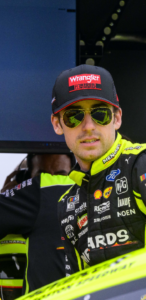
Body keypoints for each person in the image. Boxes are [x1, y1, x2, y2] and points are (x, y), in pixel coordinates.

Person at [50, 64, 146, 275]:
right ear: (57, 124)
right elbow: (76, 286)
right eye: (73, 116)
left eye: (100, 114)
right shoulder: (66, 206)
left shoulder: (140, 165)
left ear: (117, 118)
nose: (88, 126)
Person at [0, 153, 76, 293]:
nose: (51, 180)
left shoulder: (39, 190)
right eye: (42, 174)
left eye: (61, 175)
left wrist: (10, 196)